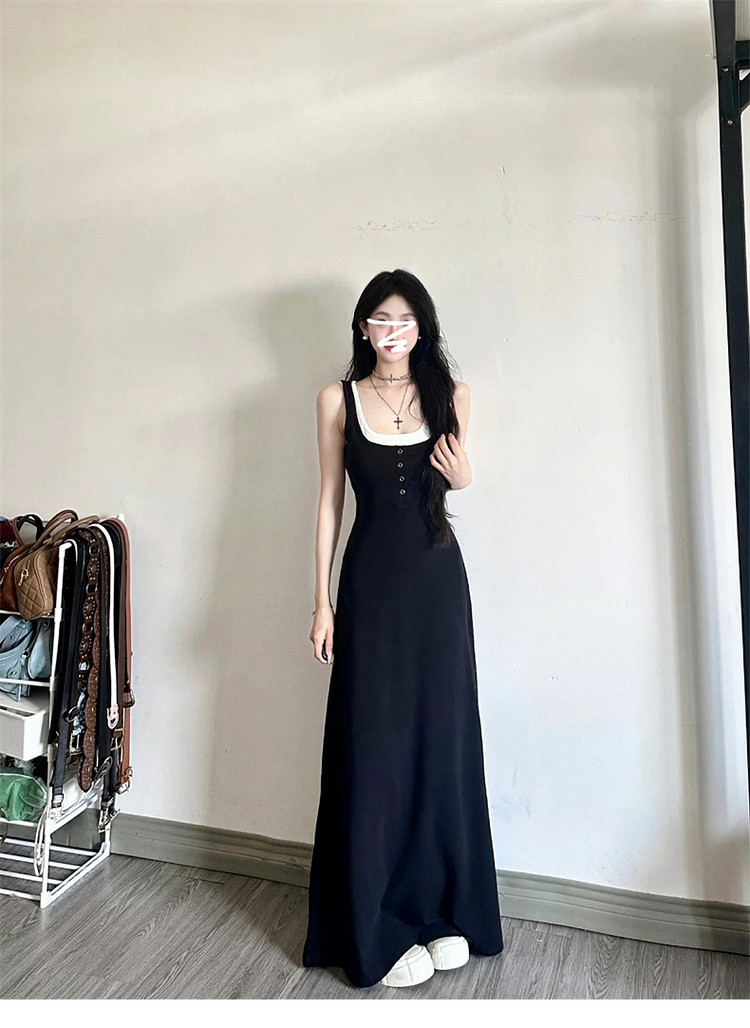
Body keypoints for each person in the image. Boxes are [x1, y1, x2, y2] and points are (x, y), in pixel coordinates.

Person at [302, 268, 504, 989]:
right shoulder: (337, 399)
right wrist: (321, 601)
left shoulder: (453, 396)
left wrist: (467, 477)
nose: (393, 331)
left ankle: (439, 910)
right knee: (375, 750)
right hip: (370, 591)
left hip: (438, 590)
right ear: (363, 326)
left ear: (423, 327)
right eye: (380, 319)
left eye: (406, 319)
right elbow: (330, 502)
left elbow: (447, 487)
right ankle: (375, 925)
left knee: (439, 744)